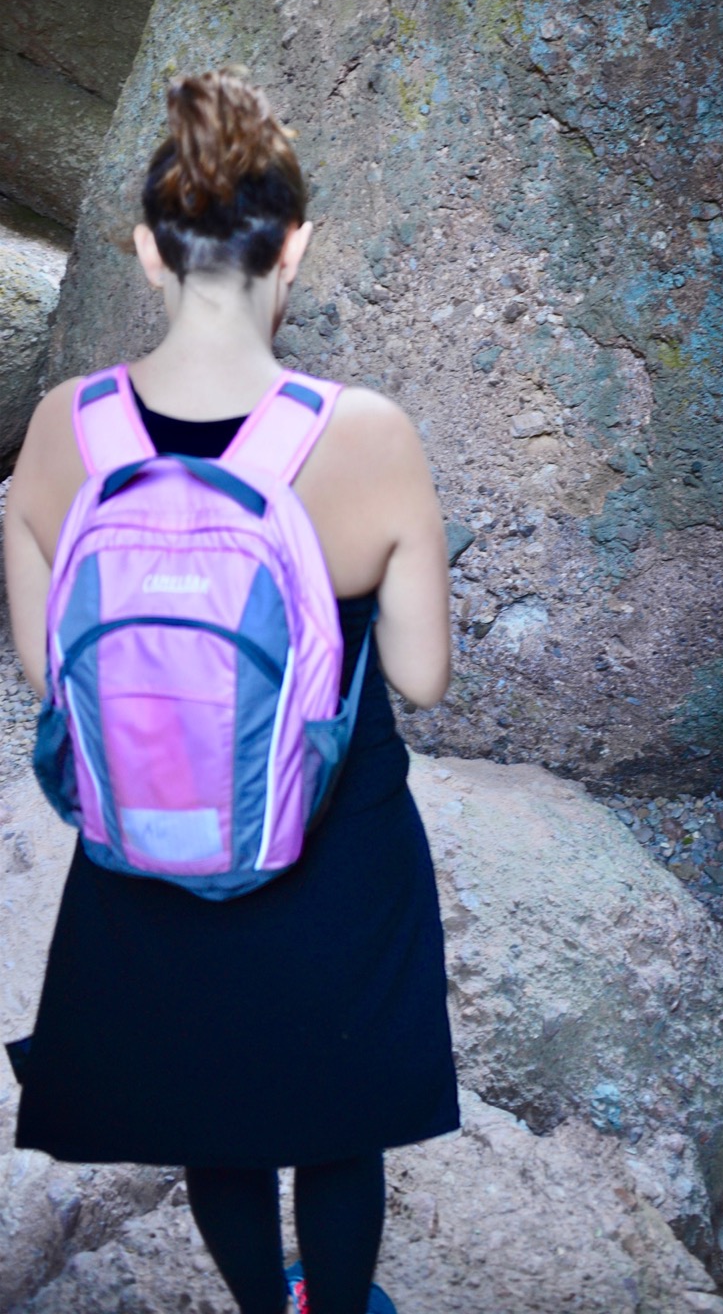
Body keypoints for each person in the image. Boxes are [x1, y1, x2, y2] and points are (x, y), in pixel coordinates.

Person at [3, 69, 458, 1314]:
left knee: (216, 1119)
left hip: (148, 839)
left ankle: (265, 1304)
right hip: (334, 840)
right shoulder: (365, 433)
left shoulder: (64, 428)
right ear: (294, 246)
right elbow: (420, 674)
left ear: (148, 250)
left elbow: (50, 672)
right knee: (336, 1122)